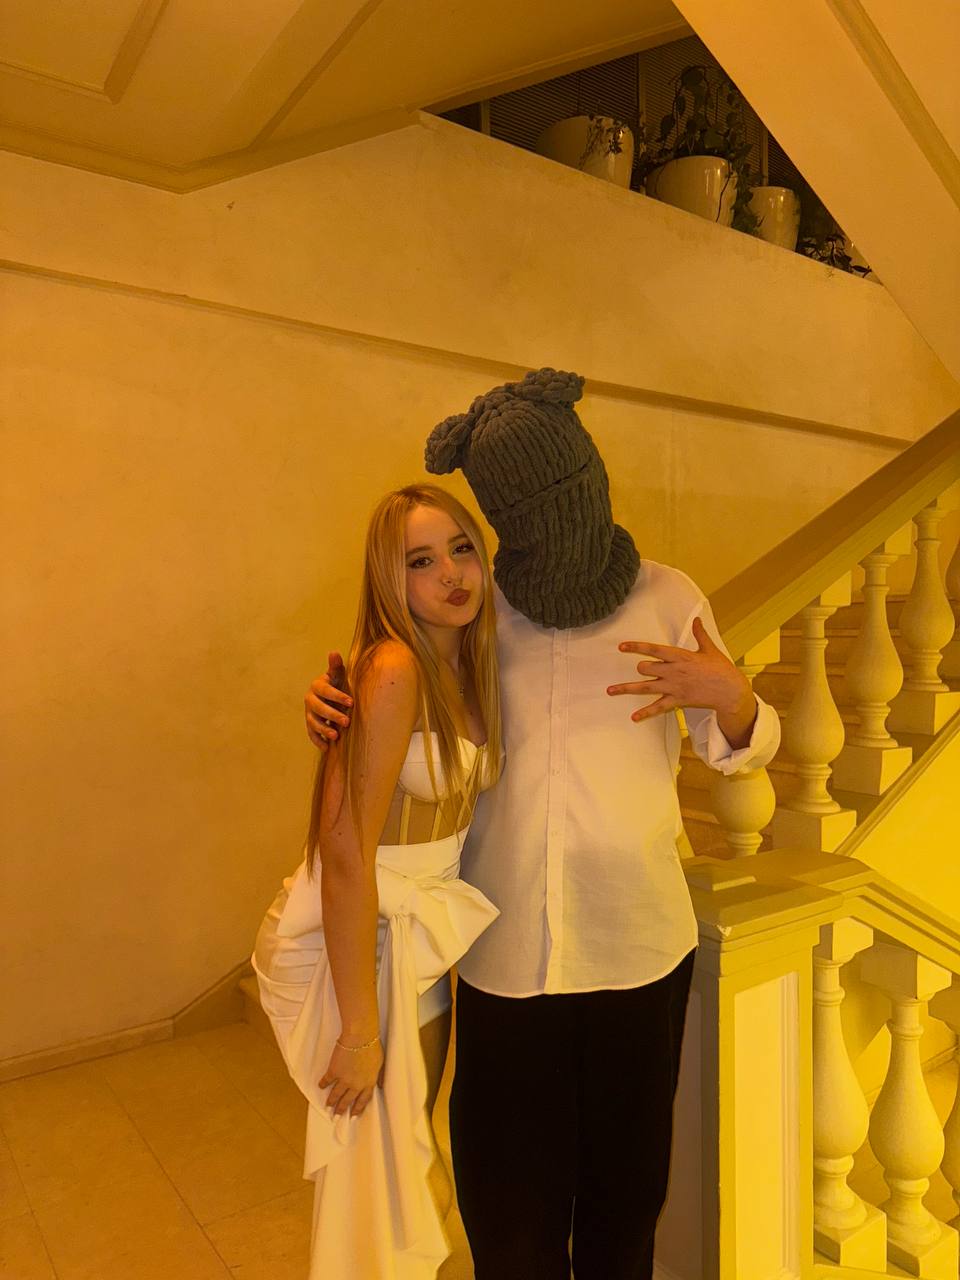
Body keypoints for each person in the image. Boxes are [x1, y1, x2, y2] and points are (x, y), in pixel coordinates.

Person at [305, 369, 781, 1280]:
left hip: (638, 950)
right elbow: (407, 697)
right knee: (507, 1215)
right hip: (505, 954)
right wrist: (337, 701)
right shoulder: (480, 613)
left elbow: (739, 753)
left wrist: (736, 698)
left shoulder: (667, 596)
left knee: (623, 1208)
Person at [253, 483, 503, 1280]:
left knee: (405, 1145)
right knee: (381, 1165)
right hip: (370, 935)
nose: (451, 574)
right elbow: (344, 850)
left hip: (420, 934)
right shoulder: (395, 667)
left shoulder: (471, 659)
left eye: (461, 548)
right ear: (389, 581)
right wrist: (359, 1029)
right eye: (420, 562)